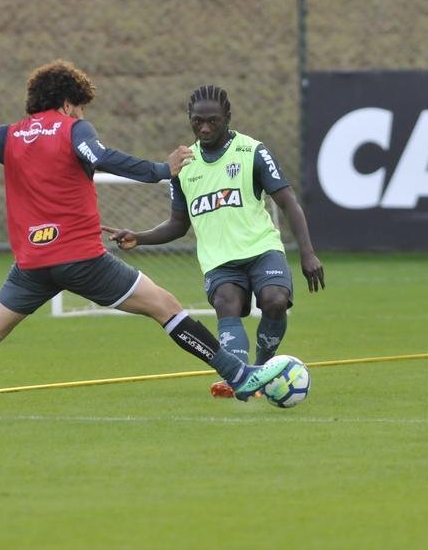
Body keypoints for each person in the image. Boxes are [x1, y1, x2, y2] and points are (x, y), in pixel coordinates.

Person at [0, 61, 290, 415]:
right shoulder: (72, 130)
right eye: (80, 107)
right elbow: (100, 158)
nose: (83, 116)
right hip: (83, 261)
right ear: (67, 103)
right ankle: (237, 374)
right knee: (167, 308)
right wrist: (161, 170)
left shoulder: (9, 135)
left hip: (31, 266)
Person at [104, 85, 324, 399]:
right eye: (197, 121)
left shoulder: (252, 151)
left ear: (227, 118)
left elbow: (288, 202)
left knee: (275, 301)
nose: (205, 128)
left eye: (213, 121)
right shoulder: (184, 167)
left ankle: (259, 372)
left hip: (262, 249)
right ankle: (240, 376)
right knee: (226, 303)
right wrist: (140, 238)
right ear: (190, 120)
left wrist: (308, 254)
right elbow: (178, 225)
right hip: (219, 261)